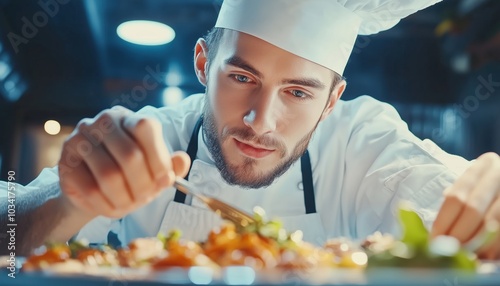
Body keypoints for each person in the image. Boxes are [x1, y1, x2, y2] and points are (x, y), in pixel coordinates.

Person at [0, 0, 499, 259]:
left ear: (331, 100)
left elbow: (447, 199)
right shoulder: (152, 139)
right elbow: (8, 231)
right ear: (202, 64)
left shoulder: (364, 146)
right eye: (242, 78)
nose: (261, 120)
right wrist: (70, 203)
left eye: (299, 93)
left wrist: (487, 209)